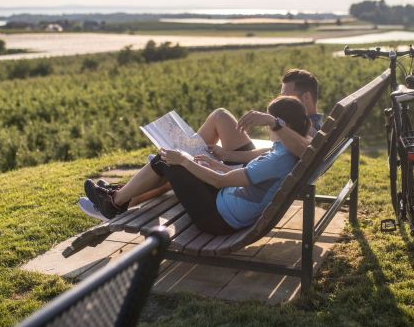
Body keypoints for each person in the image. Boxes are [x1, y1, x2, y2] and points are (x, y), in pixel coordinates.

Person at [85, 96, 312, 234]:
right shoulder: (287, 151)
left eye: (267, 123)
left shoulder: (278, 159)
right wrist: (217, 163)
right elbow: (237, 176)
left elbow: (219, 181)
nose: (265, 128)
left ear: (284, 125)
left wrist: (185, 160)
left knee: (167, 159)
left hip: (216, 217)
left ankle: (113, 203)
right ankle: (118, 197)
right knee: (176, 159)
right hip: (227, 202)